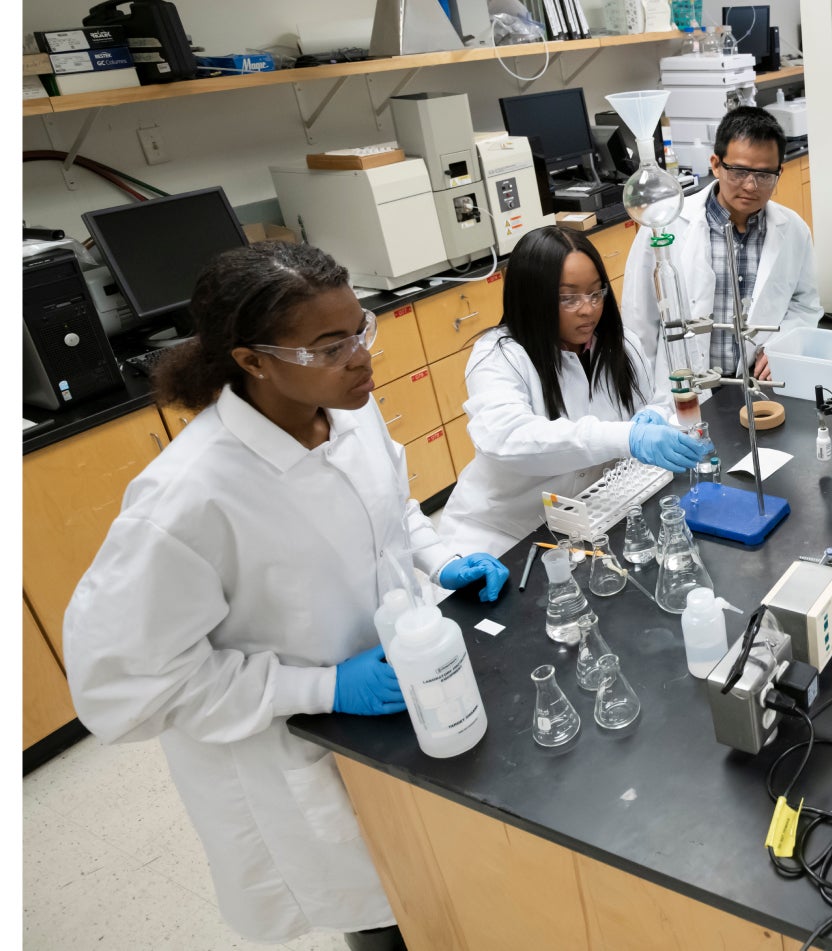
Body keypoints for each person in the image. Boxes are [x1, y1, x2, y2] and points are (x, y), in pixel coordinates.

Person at [63, 241, 510, 951]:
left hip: (399, 698)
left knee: (440, 885)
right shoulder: (186, 499)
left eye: (361, 329)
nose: (362, 356)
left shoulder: (343, 405)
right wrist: (323, 685)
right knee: (384, 915)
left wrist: (441, 556)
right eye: (331, 345)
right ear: (251, 360)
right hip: (293, 745)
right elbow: (123, 689)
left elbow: (392, 509)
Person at [439, 225, 703, 556]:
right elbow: (507, 437)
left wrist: (653, 415)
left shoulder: (620, 345)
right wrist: (626, 437)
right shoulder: (500, 355)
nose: (588, 308)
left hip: (586, 523)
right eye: (569, 298)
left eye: (595, 293)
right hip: (502, 535)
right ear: (532, 298)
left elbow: (652, 406)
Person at [622, 105, 822, 382]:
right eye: (739, 171)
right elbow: (638, 321)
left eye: (764, 175)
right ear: (716, 164)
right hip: (685, 385)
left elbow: (805, 304)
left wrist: (782, 346)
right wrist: (647, 396)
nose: (751, 186)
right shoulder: (666, 225)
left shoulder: (794, 230)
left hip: (758, 383)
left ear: (779, 174)